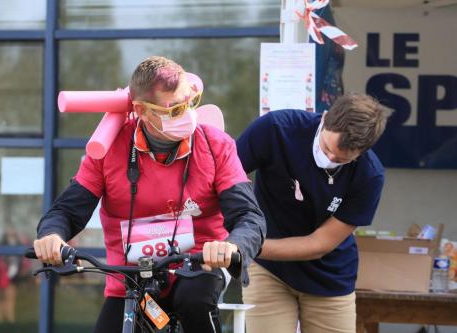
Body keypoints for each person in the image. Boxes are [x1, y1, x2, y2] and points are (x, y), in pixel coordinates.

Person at [33, 56, 265, 333]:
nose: (188, 114)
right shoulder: (107, 150)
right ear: (141, 110)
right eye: (175, 109)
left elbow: (249, 216)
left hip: (198, 267)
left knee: (194, 301)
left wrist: (233, 245)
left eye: (190, 102)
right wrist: (51, 236)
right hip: (131, 279)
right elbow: (66, 211)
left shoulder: (216, 146)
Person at [236, 93, 389, 333]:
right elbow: (227, 177)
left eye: (341, 159)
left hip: (329, 276)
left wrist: (246, 245)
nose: (329, 158)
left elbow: (319, 243)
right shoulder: (276, 129)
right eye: (327, 148)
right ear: (325, 118)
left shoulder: (369, 175)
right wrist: (238, 229)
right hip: (268, 269)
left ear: (361, 152)